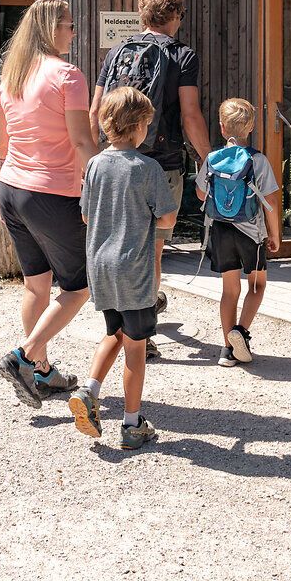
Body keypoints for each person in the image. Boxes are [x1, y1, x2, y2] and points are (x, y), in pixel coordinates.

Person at [92, 0, 211, 349]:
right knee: (151, 250)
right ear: (174, 15)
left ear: (143, 14)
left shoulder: (117, 52)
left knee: (117, 240)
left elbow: (96, 110)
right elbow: (190, 115)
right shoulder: (182, 56)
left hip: (115, 161)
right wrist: (209, 161)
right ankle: (143, 331)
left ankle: (122, 322)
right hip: (162, 162)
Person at [0, 0, 98, 405]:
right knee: (80, 286)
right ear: (50, 30)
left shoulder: (10, 78)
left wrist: (2, 203)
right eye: (69, 25)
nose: (74, 31)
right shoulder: (69, 77)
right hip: (53, 193)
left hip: (12, 190)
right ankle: (24, 357)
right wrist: (104, 185)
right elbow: (81, 141)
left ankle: (43, 372)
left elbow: (2, 148)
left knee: (36, 287)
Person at [67, 86, 177, 450]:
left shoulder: (95, 164)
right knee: (136, 345)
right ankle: (132, 424)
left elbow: (85, 214)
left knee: (114, 332)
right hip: (134, 269)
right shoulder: (148, 168)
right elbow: (166, 214)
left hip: (100, 266)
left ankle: (90, 391)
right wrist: (157, 228)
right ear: (139, 127)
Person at [196, 98, 281, 367]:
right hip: (251, 232)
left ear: (221, 127)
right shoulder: (258, 160)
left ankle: (226, 351)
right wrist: (274, 233)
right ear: (252, 126)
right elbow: (271, 202)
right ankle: (241, 331)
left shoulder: (212, 159)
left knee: (228, 291)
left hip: (220, 230)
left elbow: (200, 193)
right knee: (257, 285)